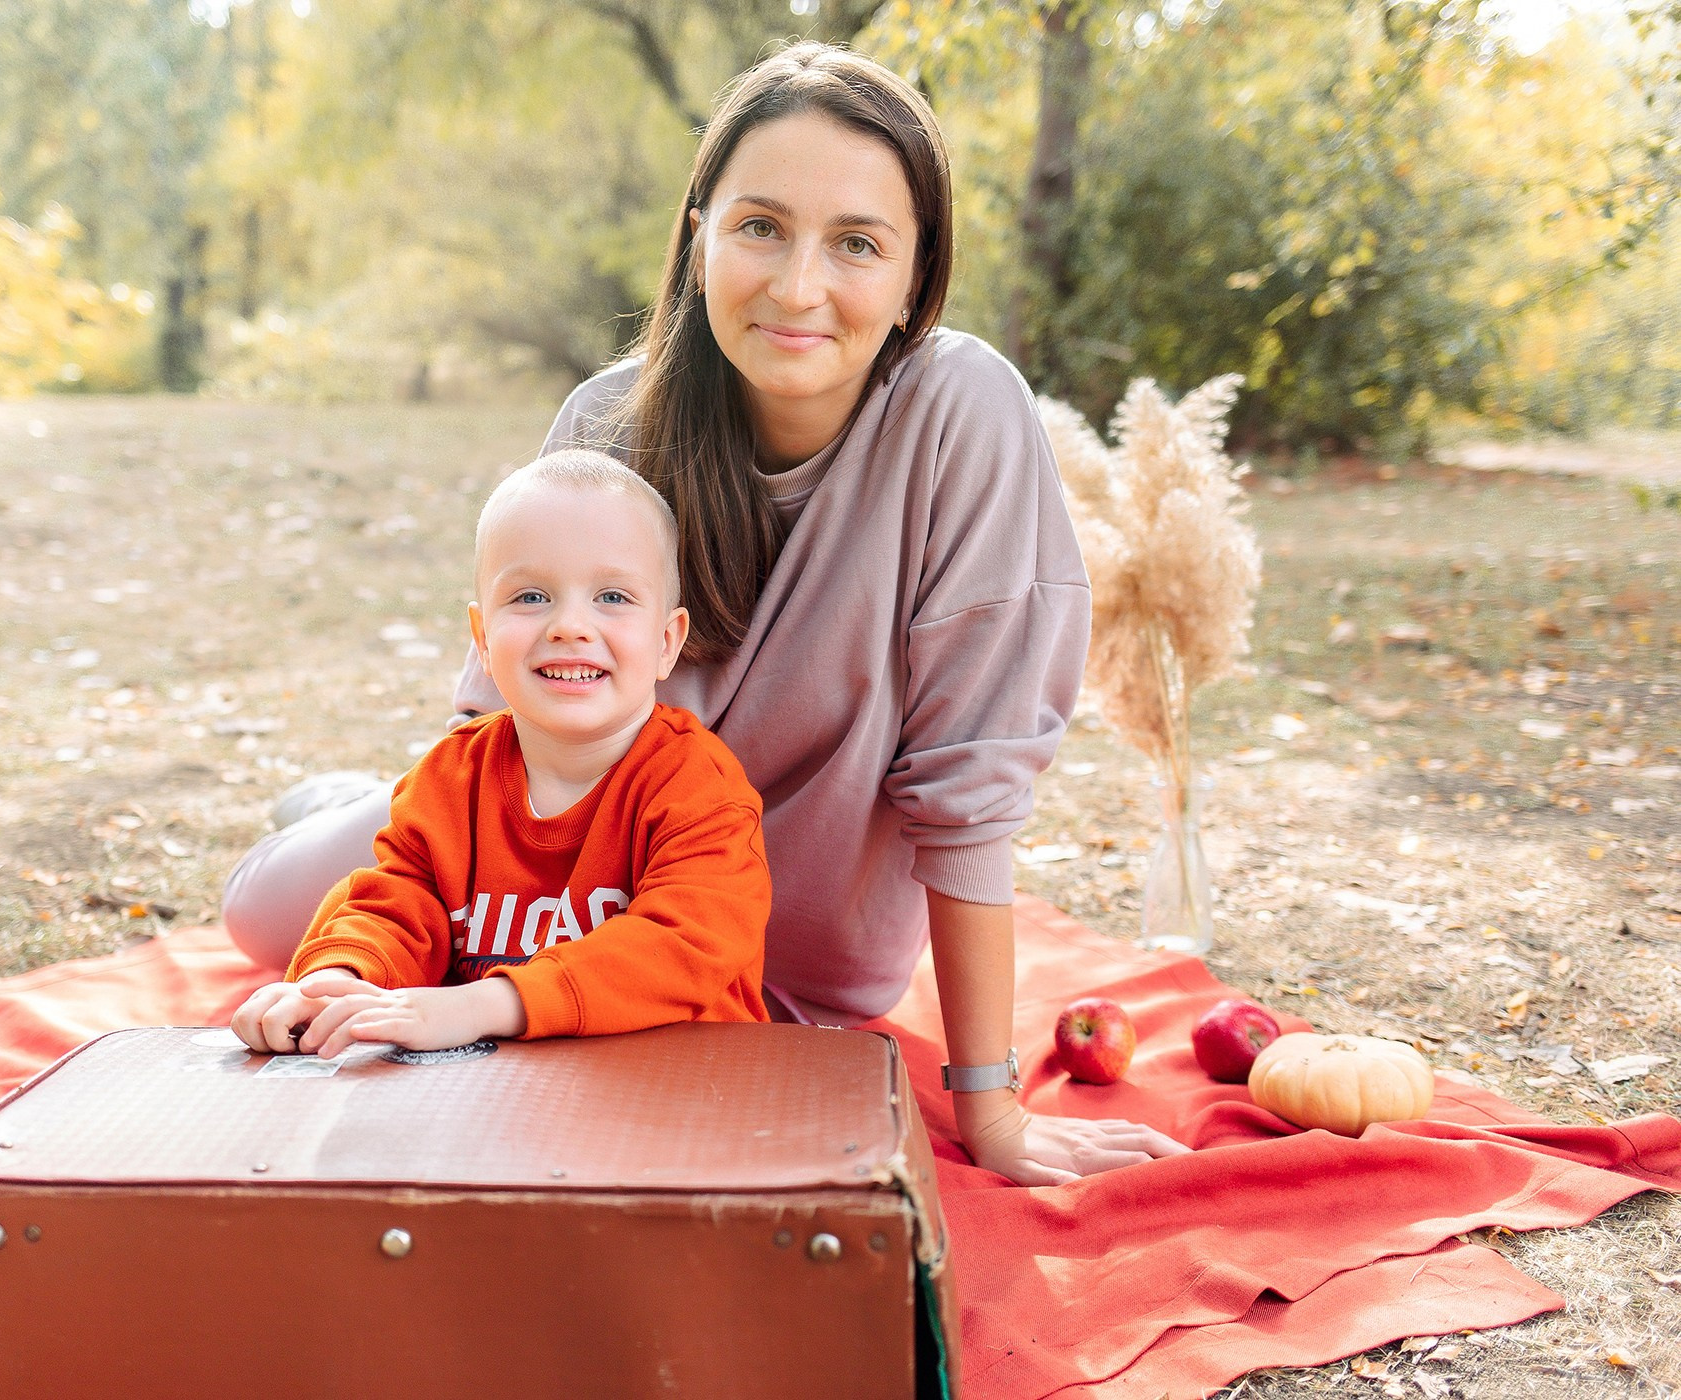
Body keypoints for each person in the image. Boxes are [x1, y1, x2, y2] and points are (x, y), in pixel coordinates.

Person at [223, 42, 1187, 1186]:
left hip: (791, 922)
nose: (796, 285)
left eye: (858, 244)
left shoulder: (960, 414)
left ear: (916, 279)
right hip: (573, 887)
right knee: (268, 914)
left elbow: (975, 778)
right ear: (699, 235)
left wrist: (991, 1106)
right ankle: (342, 806)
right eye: (761, 227)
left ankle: (347, 803)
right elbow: (500, 737)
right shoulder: (612, 421)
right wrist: (398, 969)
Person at [230, 450, 770, 1059]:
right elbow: (396, 901)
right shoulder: (452, 777)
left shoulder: (699, 787)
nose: (570, 625)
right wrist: (340, 980)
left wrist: (487, 1004)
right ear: (483, 640)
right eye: (532, 597)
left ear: (668, 641)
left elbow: (682, 944)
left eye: (613, 597)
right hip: (493, 1099)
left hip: (676, 1090)